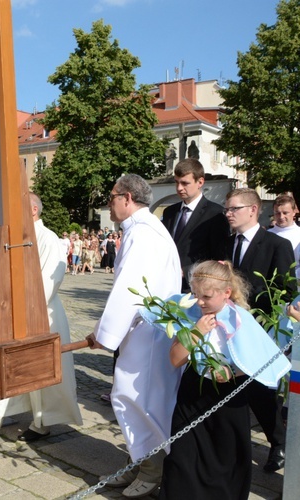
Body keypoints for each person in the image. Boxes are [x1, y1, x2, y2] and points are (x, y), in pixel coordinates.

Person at [157, 261, 290, 499]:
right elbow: (175, 359)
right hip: (193, 396)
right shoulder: (191, 315)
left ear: (226, 293)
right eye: (195, 294)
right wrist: (196, 333)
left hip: (229, 399)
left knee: (226, 457)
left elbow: (258, 361)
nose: (199, 301)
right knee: (182, 457)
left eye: (206, 296)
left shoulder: (241, 320)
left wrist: (231, 372)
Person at [86, 174, 181, 498]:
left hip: (149, 333)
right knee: (134, 397)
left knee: (139, 399)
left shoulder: (143, 234)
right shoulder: (144, 230)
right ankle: (137, 464)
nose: (109, 203)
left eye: (112, 197)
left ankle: (152, 471)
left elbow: (130, 289)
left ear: (127, 198)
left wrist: (106, 334)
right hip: (144, 330)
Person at [0, 193, 83, 441]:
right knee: (5, 366)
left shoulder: (49, 240)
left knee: (36, 369)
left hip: (41, 315)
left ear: (34, 210)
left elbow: (51, 280)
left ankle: (41, 423)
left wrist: (27, 309)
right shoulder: (15, 238)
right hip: (12, 313)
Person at [223, 187, 294, 473]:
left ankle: (278, 443)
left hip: (260, 329)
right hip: (227, 327)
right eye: (226, 209)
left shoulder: (276, 245)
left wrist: (255, 308)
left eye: (233, 209)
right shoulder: (226, 244)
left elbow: (287, 289)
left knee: (260, 391)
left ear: (253, 210)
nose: (228, 214)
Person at [161, 159, 229, 292]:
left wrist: (186, 271)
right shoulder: (170, 212)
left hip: (196, 288)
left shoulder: (215, 214)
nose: (179, 188)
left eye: (185, 183)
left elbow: (217, 258)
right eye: (176, 182)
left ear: (200, 182)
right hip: (166, 284)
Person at [268, 193, 300, 282]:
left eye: (285, 213)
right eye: (277, 213)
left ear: (294, 212)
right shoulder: (266, 235)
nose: (281, 217)